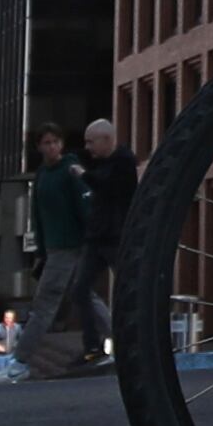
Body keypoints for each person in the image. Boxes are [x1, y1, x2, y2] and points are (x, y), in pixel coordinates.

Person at [18, 124, 90, 376]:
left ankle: (20, 360)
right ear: (39, 146)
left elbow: (85, 206)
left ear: (62, 144)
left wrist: (88, 238)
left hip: (70, 245)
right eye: (46, 142)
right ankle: (120, 340)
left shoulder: (70, 170)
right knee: (85, 295)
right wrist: (40, 250)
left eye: (55, 142)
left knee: (44, 303)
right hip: (53, 247)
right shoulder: (42, 175)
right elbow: (37, 215)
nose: (51, 147)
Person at [67, 116, 133, 365]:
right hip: (96, 237)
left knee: (126, 291)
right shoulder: (102, 164)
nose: (88, 148)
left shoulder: (124, 162)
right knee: (79, 289)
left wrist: (84, 175)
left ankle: (129, 342)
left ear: (107, 139)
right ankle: (93, 345)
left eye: (91, 142)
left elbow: (108, 186)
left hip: (116, 237)